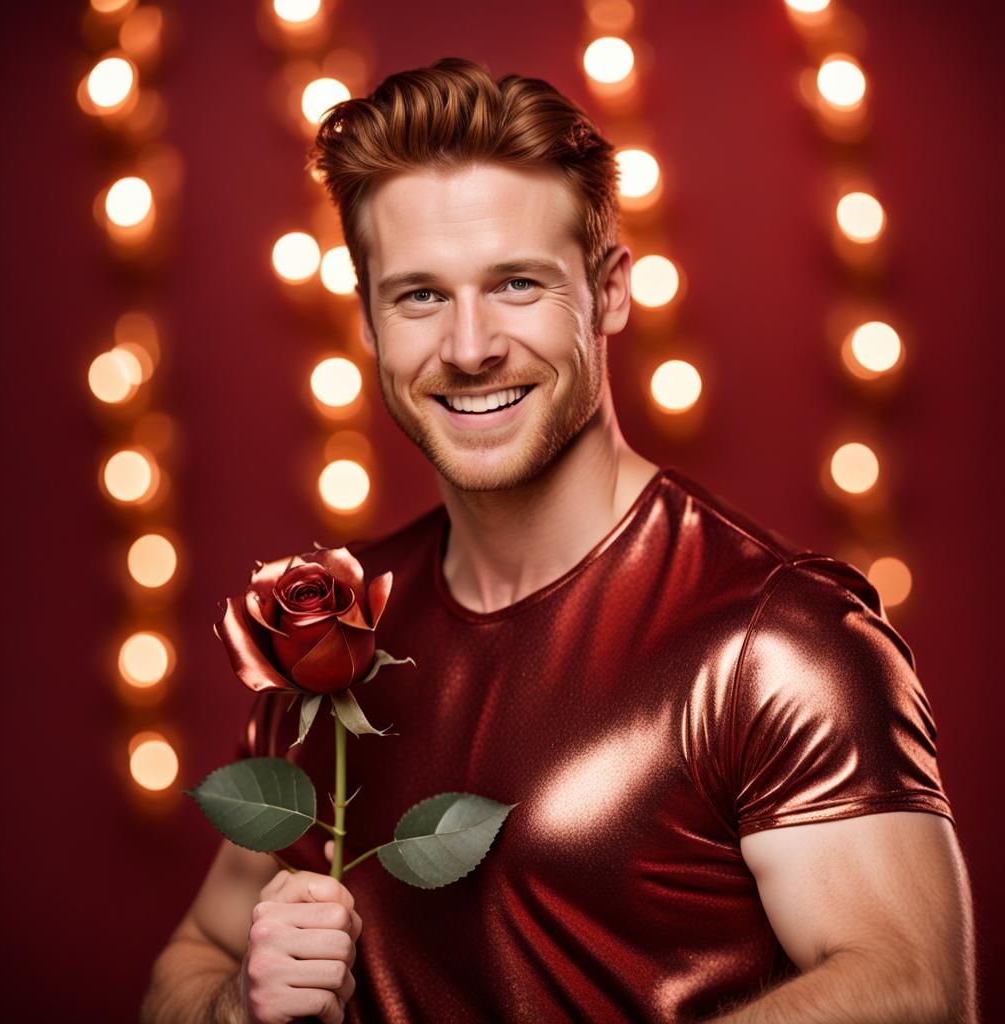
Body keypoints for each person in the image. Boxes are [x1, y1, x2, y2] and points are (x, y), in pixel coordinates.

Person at [141, 58, 976, 1024]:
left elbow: (912, 989)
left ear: (610, 291)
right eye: (418, 295)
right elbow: (193, 957)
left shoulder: (777, 636)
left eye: (516, 284)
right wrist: (241, 1006)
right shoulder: (327, 639)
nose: (468, 345)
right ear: (367, 320)